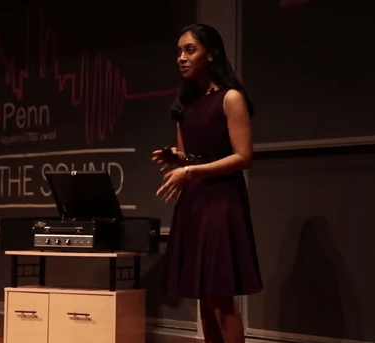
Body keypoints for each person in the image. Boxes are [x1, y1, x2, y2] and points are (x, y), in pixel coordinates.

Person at [152, 23, 263, 343]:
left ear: (211, 55)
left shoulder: (230, 98)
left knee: (220, 296)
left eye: (190, 50)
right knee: (202, 294)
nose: (181, 58)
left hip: (221, 201)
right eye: (179, 52)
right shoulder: (185, 106)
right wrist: (177, 158)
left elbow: (243, 157)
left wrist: (189, 172)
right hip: (195, 202)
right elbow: (191, 155)